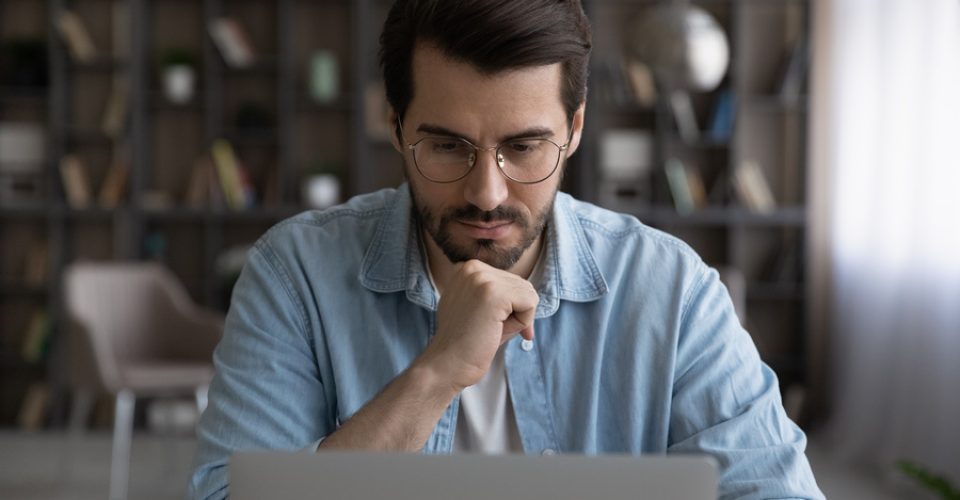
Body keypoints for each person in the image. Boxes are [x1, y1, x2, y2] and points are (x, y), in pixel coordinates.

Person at [189, 1, 824, 498]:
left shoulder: (672, 290)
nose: (487, 193)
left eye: (524, 147)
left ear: (574, 130)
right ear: (395, 126)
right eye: (446, 146)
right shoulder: (294, 275)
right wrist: (436, 373)